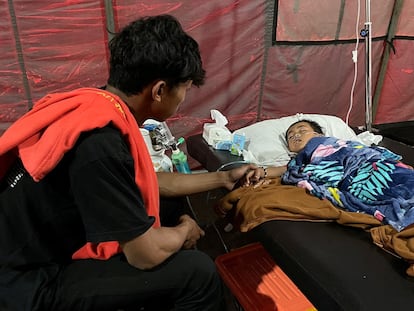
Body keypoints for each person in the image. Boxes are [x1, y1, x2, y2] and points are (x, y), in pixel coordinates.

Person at [0, 15, 258, 311]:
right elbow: (144, 254)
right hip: (27, 284)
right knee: (198, 273)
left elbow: (143, 181)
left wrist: (223, 179)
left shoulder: (92, 108)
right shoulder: (100, 143)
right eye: (184, 88)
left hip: (28, 249)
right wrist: (185, 231)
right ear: (160, 90)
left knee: (170, 207)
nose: (183, 98)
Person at [243, 119, 414, 232]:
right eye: (290, 136)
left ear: (318, 135)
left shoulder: (330, 144)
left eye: (302, 130)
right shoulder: (300, 162)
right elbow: (287, 169)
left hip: (374, 165)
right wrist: (262, 171)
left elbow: (354, 156)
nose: (296, 135)